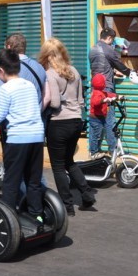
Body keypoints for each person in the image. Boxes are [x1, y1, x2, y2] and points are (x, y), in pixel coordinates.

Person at [0, 48, 45, 221]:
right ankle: (37, 216)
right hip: (37, 137)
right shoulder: (28, 85)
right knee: (33, 181)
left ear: (2, 71)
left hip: (18, 139)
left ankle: (8, 219)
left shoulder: (6, 89)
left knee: (11, 182)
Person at [39, 38, 96, 216]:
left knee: (57, 166)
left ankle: (67, 205)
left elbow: (54, 102)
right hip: (76, 121)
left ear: (47, 55)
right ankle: (86, 194)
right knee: (69, 161)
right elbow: (80, 100)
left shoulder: (50, 73)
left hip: (58, 122)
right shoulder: (74, 71)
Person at [88, 27, 130, 154]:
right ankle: (113, 149)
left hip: (96, 87)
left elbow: (101, 66)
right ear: (110, 38)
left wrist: (111, 71)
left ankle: (95, 151)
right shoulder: (108, 49)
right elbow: (119, 64)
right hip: (106, 89)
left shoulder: (93, 48)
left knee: (97, 122)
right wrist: (131, 73)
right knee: (110, 120)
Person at [88, 73, 117, 159]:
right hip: (95, 118)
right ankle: (93, 152)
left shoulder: (102, 92)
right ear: (103, 84)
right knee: (96, 136)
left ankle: (96, 150)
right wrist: (104, 100)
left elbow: (110, 95)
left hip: (100, 117)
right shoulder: (96, 93)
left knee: (99, 135)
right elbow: (96, 101)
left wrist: (118, 96)